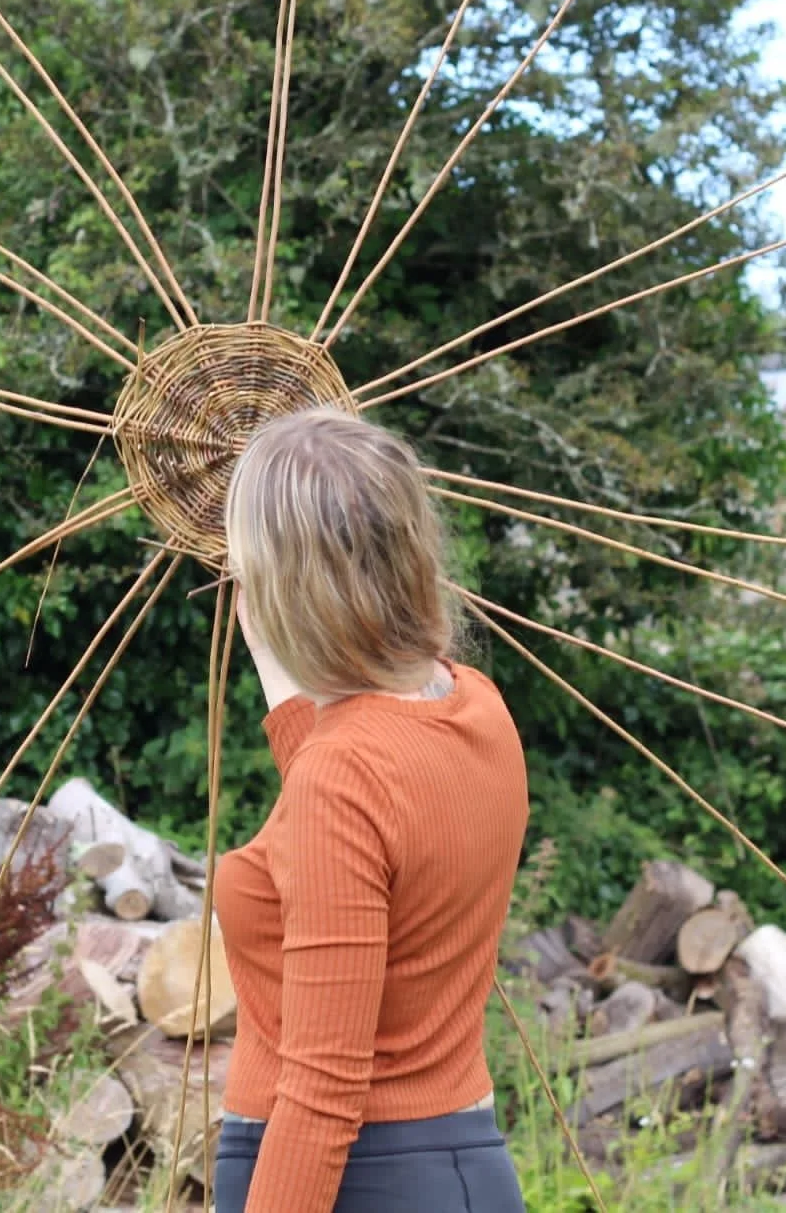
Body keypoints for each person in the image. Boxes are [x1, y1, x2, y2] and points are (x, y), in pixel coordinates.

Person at [212, 406, 530, 1213]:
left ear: (286, 585)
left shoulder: (341, 775)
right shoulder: (476, 707)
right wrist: (283, 680)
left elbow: (321, 1090)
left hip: (355, 1183)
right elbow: (356, 838)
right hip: (465, 1172)